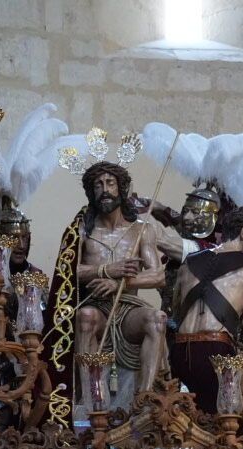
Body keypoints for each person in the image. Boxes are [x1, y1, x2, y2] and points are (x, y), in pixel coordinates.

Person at [70, 163, 169, 410]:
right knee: (86, 317)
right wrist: (105, 270)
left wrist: (119, 284)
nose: (105, 190)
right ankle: (89, 398)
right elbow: (68, 271)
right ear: (91, 192)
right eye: (98, 185)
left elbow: (158, 276)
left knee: (156, 318)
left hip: (127, 308)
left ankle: (144, 402)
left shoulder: (141, 231)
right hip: (96, 306)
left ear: (122, 189)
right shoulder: (82, 231)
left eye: (110, 183)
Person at [170, 205, 243, 411]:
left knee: (187, 421)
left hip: (179, 352)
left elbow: (176, 312)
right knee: (228, 424)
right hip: (216, 352)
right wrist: (241, 310)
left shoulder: (187, 263)